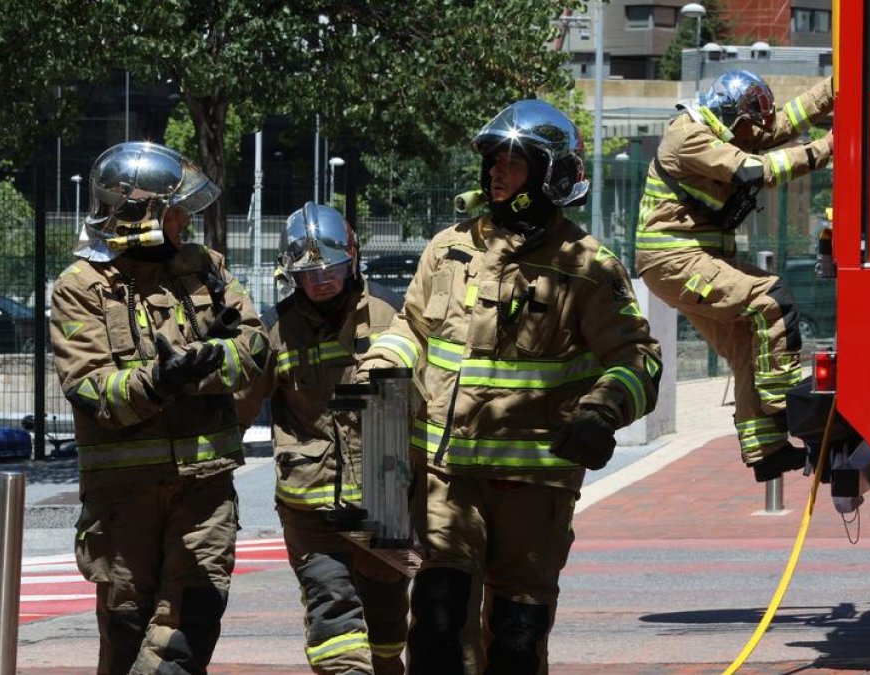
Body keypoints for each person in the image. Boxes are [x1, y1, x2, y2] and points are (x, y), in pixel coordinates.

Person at [357, 99, 663, 675]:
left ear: (552, 176)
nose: (497, 172)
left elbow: (638, 357)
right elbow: (411, 328)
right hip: (447, 478)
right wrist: (382, 364)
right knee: (439, 626)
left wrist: (603, 410)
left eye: (514, 162)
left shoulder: (587, 267)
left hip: (534, 487)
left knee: (517, 642)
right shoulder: (448, 250)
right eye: (494, 160)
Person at [50, 141, 269, 675]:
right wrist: (161, 380)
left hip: (204, 489)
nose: (184, 221)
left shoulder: (206, 268)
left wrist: (201, 366)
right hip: (123, 498)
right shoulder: (80, 288)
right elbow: (91, 389)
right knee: (128, 633)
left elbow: (256, 348)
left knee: (193, 620)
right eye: (175, 212)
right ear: (139, 215)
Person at [634, 70, 835, 482]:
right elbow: (752, 170)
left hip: (693, 259)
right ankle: (785, 405)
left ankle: (767, 450)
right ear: (732, 115)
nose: (757, 131)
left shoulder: (728, 131)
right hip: (675, 259)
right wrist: (827, 148)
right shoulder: (689, 136)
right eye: (751, 123)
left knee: (746, 345)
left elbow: (783, 123)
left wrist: (836, 87)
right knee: (770, 299)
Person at [236, 202, 410, 674]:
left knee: (388, 619)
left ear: (352, 259)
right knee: (331, 609)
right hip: (310, 505)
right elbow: (238, 406)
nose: (321, 280)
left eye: (330, 268)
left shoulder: (393, 314)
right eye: (309, 273)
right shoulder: (275, 329)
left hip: (384, 496)